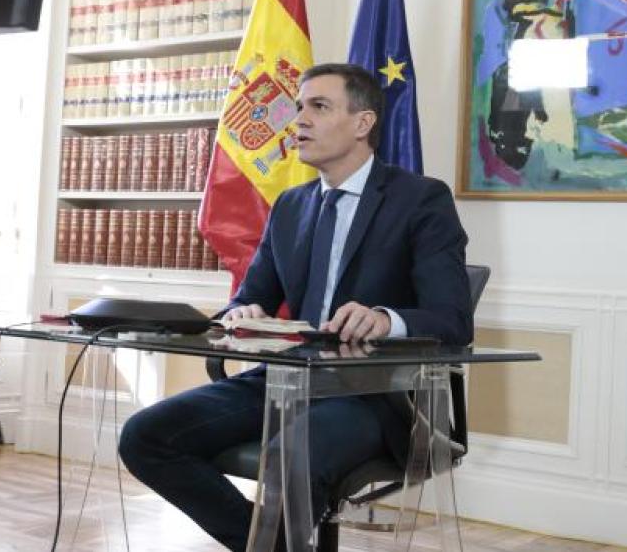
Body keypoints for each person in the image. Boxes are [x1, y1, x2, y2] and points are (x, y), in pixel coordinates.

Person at [118, 62, 472, 552]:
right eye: (299, 107)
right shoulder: (289, 205)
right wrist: (241, 315)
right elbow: (249, 298)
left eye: (318, 107)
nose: (298, 120)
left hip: (375, 394)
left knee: (291, 457)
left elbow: (454, 320)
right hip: (283, 380)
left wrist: (386, 319)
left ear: (363, 123)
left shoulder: (421, 200)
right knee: (144, 436)